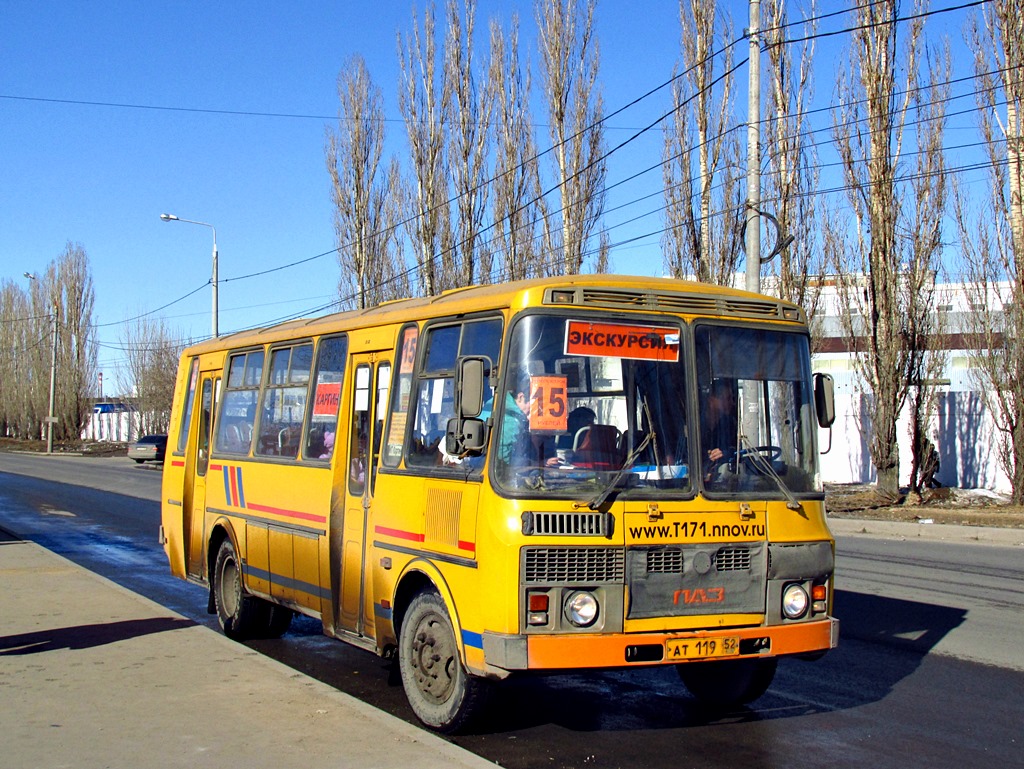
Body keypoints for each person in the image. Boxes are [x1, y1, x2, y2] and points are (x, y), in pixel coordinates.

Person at [703, 379, 737, 479]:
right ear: (712, 400)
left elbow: (736, 450)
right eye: (727, 399)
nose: (732, 403)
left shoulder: (730, 423)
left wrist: (725, 453)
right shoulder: (694, 425)